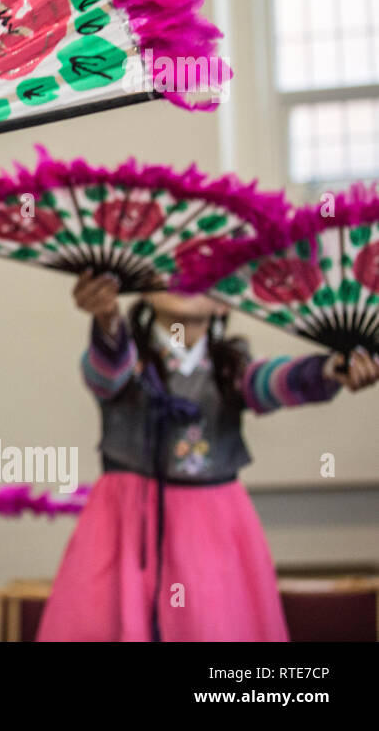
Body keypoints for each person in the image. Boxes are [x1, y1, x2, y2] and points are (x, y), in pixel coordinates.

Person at [37, 271, 379, 641]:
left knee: (209, 626)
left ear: (224, 302)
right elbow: (105, 374)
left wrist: (330, 369)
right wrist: (106, 319)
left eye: (203, 271)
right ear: (144, 292)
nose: (183, 279)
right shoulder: (124, 359)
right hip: (123, 527)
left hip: (212, 529)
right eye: (169, 268)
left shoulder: (234, 369)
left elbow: (275, 381)